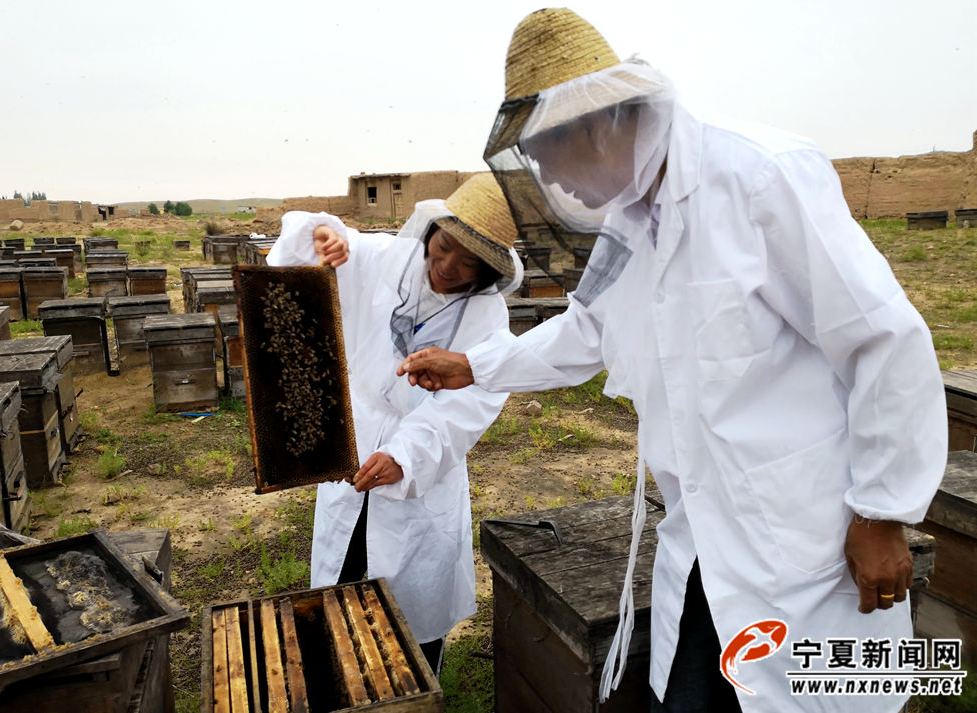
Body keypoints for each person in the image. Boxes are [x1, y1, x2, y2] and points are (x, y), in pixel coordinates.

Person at [397, 8, 947, 712]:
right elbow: (587, 330)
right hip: (702, 545)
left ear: (595, 125)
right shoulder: (628, 220)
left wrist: (882, 511)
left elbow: (882, 336)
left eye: (550, 157)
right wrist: (475, 365)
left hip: (807, 537)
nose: (554, 181)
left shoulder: (758, 175)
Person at [267, 173, 522, 674]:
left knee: (412, 603)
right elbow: (314, 247)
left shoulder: (487, 318)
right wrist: (322, 236)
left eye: (466, 261)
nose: (446, 266)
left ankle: (415, 683)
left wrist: (405, 457)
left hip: (422, 468)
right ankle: (343, 678)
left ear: (489, 270)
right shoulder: (388, 259)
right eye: (443, 247)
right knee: (343, 574)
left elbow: (466, 407)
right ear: (431, 234)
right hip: (350, 442)